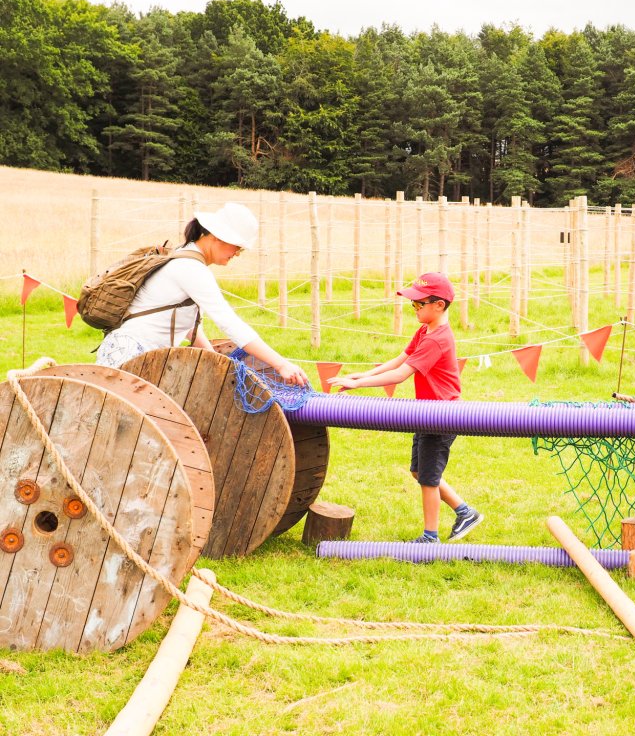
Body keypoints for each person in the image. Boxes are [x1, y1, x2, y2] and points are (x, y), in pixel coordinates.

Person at [329, 272, 482, 544]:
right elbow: (401, 359)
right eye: (413, 304)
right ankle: (465, 511)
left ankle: (429, 536)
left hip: (442, 417)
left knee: (429, 479)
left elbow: (401, 375)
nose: (414, 309)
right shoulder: (425, 330)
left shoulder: (437, 339)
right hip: (425, 414)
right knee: (418, 472)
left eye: (418, 304)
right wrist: (360, 375)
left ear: (439, 305)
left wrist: (360, 386)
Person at [96, 202, 308, 387]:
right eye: (237, 247)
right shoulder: (190, 268)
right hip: (130, 355)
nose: (237, 254)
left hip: (142, 356)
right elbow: (229, 322)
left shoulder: (185, 259)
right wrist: (281, 364)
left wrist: (216, 362)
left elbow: (189, 328)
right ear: (217, 237)